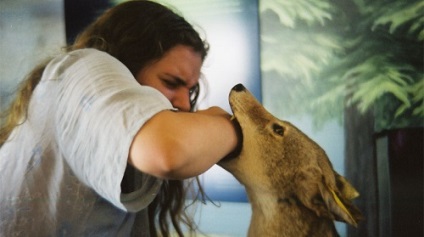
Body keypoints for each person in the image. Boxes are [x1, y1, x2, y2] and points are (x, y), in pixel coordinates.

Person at [0, 1, 240, 236]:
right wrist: (232, 125)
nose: (186, 104)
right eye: (171, 82)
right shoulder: (84, 68)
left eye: (190, 91)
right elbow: (167, 151)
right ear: (126, 62)